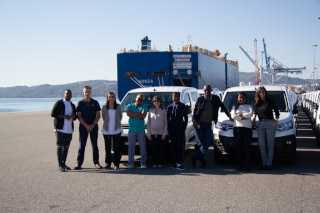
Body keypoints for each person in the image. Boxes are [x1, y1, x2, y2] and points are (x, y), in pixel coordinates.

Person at [191, 85, 231, 168]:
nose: (207, 92)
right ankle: (202, 163)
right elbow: (194, 111)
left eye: (208, 90)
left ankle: (195, 157)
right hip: (199, 124)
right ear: (203, 91)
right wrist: (194, 121)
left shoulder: (215, 98)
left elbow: (223, 106)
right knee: (200, 144)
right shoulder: (200, 99)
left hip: (208, 124)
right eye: (205, 90)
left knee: (208, 142)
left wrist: (229, 116)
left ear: (211, 91)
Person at [74, 86, 102, 170]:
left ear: (91, 92)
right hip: (83, 127)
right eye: (85, 92)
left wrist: (92, 125)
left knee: (94, 146)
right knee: (82, 145)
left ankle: (96, 162)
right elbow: (79, 116)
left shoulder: (95, 102)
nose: (87, 93)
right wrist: (86, 126)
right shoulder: (80, 103)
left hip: (94, 127)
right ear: (83, 93)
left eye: (88, 91)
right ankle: (79, 163)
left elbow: (98, 115)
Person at [252, 86, 280, 171]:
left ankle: (269, 163)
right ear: (258, 94)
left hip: (270, 123)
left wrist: (276, 120)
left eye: (263, 92)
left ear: (265, 92)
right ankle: (264, 163)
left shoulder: (270, 100)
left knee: (270, 144)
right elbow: (255, 112)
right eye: (260, 92)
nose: (261, 94)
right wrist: (253, 120)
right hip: (260, 124)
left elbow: (276, 111)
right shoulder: (257, 102)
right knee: (261, 144)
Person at [51, 89, 77, 172]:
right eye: (67, 94)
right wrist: (63, 116)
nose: (68, 95)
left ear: (71, 95)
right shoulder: (59, 103)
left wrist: (73, 116)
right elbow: (53, 114)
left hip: (69, 130)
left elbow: (75, 118)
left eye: (69, 94)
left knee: (66, 147)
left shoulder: (72, 105)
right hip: (60, 129)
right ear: (64, 94)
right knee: (60, 146)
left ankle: (64, 163)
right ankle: (60, 165)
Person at [231, 92, 253, 172]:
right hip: (237, 129)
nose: (241, 99)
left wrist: (240, 115)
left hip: (247, 129)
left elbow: (250, 114)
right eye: (240, 97)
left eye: (243, 97)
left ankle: (247, 166)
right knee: (239, 148)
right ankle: (240, 166)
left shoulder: (249, 106)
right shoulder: (234, 107)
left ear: (246, 98)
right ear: (237, 98)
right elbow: (233, 116)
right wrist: (244, 117)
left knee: (246, 148)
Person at [101, 92, 123, 170]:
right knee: (107, 148)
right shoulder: (104, 107)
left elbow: (120, 116)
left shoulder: (118, 107)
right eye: (109, 97)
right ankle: (108, 163)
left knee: (116, 148)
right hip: (106, 130)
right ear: (107, 98)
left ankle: (116, 164)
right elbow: (103, 117)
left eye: (112, 96)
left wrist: (116, 124)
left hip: (116, 130)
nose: (111, 98)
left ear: (114, 98)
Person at [126, 94, 148, 169]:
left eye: (142, 100)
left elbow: (143, 116)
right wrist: (138, 114)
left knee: (142, 148)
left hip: (141, 131)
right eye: (139, 99)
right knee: (131, 148)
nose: (140, 101)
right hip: (131, 130)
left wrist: (133, 114)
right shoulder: (130, 106)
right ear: (136, 98)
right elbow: (128, 113)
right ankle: (130, 163)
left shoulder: (144, 107)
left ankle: (143, 163)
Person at [167, 92, 188, 170]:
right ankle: (176, 163)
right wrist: (168, 128)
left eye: (176, 96)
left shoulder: (182, 106)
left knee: (180, 146)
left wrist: (184, 127)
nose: (175, 98)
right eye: (173, 96)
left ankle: (180, 163)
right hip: (172, 130)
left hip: (180, 129)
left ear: (179, 97)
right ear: (172, 98)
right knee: (174, 146)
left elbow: (186, 117)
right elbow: (167, 118)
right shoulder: (169, 107)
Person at [147, 96, 168, 169]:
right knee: (154, 149)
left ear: (160, 102)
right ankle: (154, 163)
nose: (156, 102)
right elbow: (148, 123)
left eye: (157, 101)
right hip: (152, 133)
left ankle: (160, 163)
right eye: (154, 101)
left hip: (160, 133)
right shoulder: (150, 111)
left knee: (160, 149)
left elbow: (166, 123)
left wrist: (164, 133)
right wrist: (148, 134)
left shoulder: (163, 111)